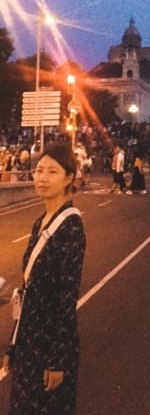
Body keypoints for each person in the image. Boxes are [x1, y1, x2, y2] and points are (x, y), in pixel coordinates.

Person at [3, 142, 86, 414]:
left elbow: (66, 298)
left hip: (50, 345)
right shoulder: (40, 222)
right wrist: (13, 345)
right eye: (39, 170)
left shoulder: (71, 226)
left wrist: (58, 360)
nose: (42, 178)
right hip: (28, 338)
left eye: (52, 172)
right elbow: (26, 291)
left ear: (69, 178)